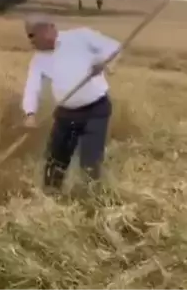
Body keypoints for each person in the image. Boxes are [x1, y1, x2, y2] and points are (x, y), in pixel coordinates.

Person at [21, 13, 120, 191]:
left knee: (90, 165)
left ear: (47, 29)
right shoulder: (38, 59)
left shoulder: (81, 37)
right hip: (66, 115)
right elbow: (32, 87)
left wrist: (104, 63)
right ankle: (50, 200)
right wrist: (30, 113)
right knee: (54, 165)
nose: (30, 41)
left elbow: (114, 47)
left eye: (31, 35)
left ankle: (92, 203)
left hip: (95, 111)